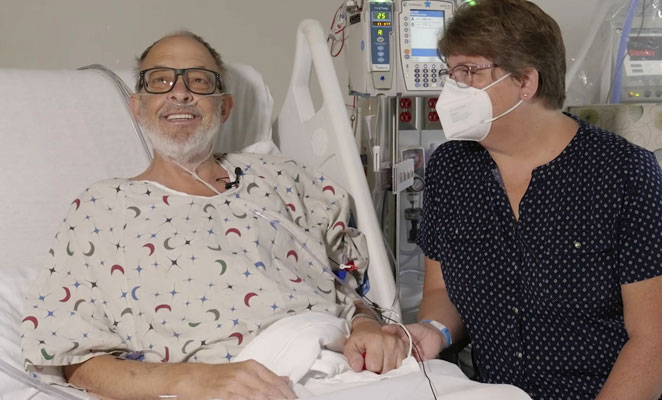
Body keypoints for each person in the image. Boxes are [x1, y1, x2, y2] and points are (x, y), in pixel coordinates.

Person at [20, 31, 406, 400]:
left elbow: (351, 284)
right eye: (160, 81)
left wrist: (368, 327)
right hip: (223, 386)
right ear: (137, 107)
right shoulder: (101, 209)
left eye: (200, 81)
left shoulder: (283, 178)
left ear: (225, 107)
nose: (181, 93)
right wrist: (193, 381)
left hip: (350, 366)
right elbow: (74, 361)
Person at [382, 0, 662, 399]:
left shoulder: (622, 174)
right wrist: (433, 330)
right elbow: (441, 291)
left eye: (469, 72)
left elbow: (661, 342)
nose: (451, 89)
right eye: (451, 72)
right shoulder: (451, 168)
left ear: (526, 82)